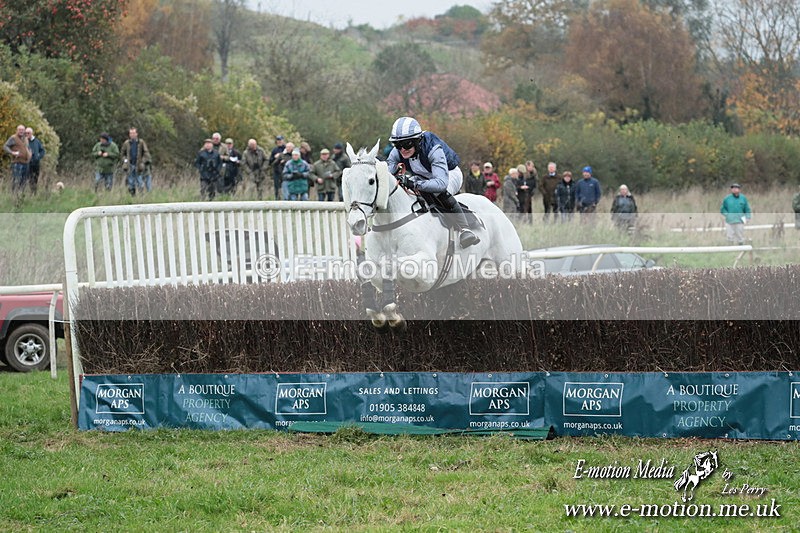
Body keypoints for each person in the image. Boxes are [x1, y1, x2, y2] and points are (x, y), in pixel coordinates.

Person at [387, 116, 479, 248]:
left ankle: (465, 229)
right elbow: (388, 172)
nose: (402, 149)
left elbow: (441, 183)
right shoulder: (398, 151)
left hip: (449, 174)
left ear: (417, 141)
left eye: (407, 144)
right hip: (424, 176)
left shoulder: (433, 149)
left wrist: (415, 184)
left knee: (437, 192)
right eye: (397, 145)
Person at [120, 127, 152, 196]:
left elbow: (146, 153)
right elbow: (122, 154)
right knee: (130, 182)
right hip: (130, 165)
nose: (132, 135)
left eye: (134, 133)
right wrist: (125, 161)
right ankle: (132, 197)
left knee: (140, 181)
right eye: (131, 133)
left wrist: (142, 162)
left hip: (138, 166)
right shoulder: (126, 143)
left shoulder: (141, 142)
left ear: (137, 134)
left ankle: (141, 197)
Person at [4, 125, 31, 193]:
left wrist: (30, 154)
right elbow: (5, 146)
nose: (21, 131)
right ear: (17, 130)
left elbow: (27, 148)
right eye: (20, 130)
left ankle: (20, 197)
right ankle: (14, 196)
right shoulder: (13, 138)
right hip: (17, 163)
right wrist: (12, 152)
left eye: (23, 130)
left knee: (24, 181)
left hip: (26, 163)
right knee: (16, 180)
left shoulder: (25, 139)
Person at [25, 127, 45, 194]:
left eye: (28, 133)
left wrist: (39, 157)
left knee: (36, 178)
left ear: (31, 133)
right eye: (26, 133)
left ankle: (34, 192)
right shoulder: (25, 142)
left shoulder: (36, 141)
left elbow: (42, 151)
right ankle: (31, 192)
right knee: (30, 178)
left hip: (36, 163)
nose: (27, 134)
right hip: (28, 163)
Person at [268, 135, 286, 200]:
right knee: (277, 188)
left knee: (285, 187)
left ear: (283, 141)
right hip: (276, 171)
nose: (279, 142)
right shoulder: (274, 150)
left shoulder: (286, 149)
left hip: (285, 171)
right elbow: (270, 161)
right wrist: (274, 157)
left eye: (280, 140)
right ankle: (277, 201)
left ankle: (285, 201)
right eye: (278, 140)